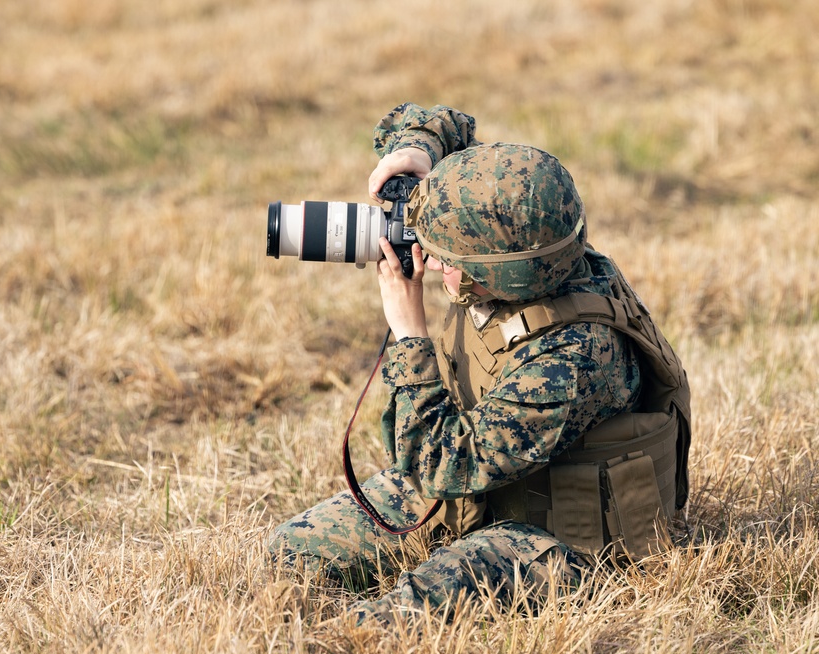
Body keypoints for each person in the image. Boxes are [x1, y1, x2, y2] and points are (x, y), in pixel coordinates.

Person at [268, 103, 691, 626]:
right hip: (485, 490)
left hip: (562, 538)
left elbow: (445, 464)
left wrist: (409, 335)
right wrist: (417, 150)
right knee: (291, 553)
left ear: (503, 275)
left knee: (390, 623)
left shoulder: (571, 357)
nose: (431, 262)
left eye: (448, 259)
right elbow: (444, 120)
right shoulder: (527, 231)